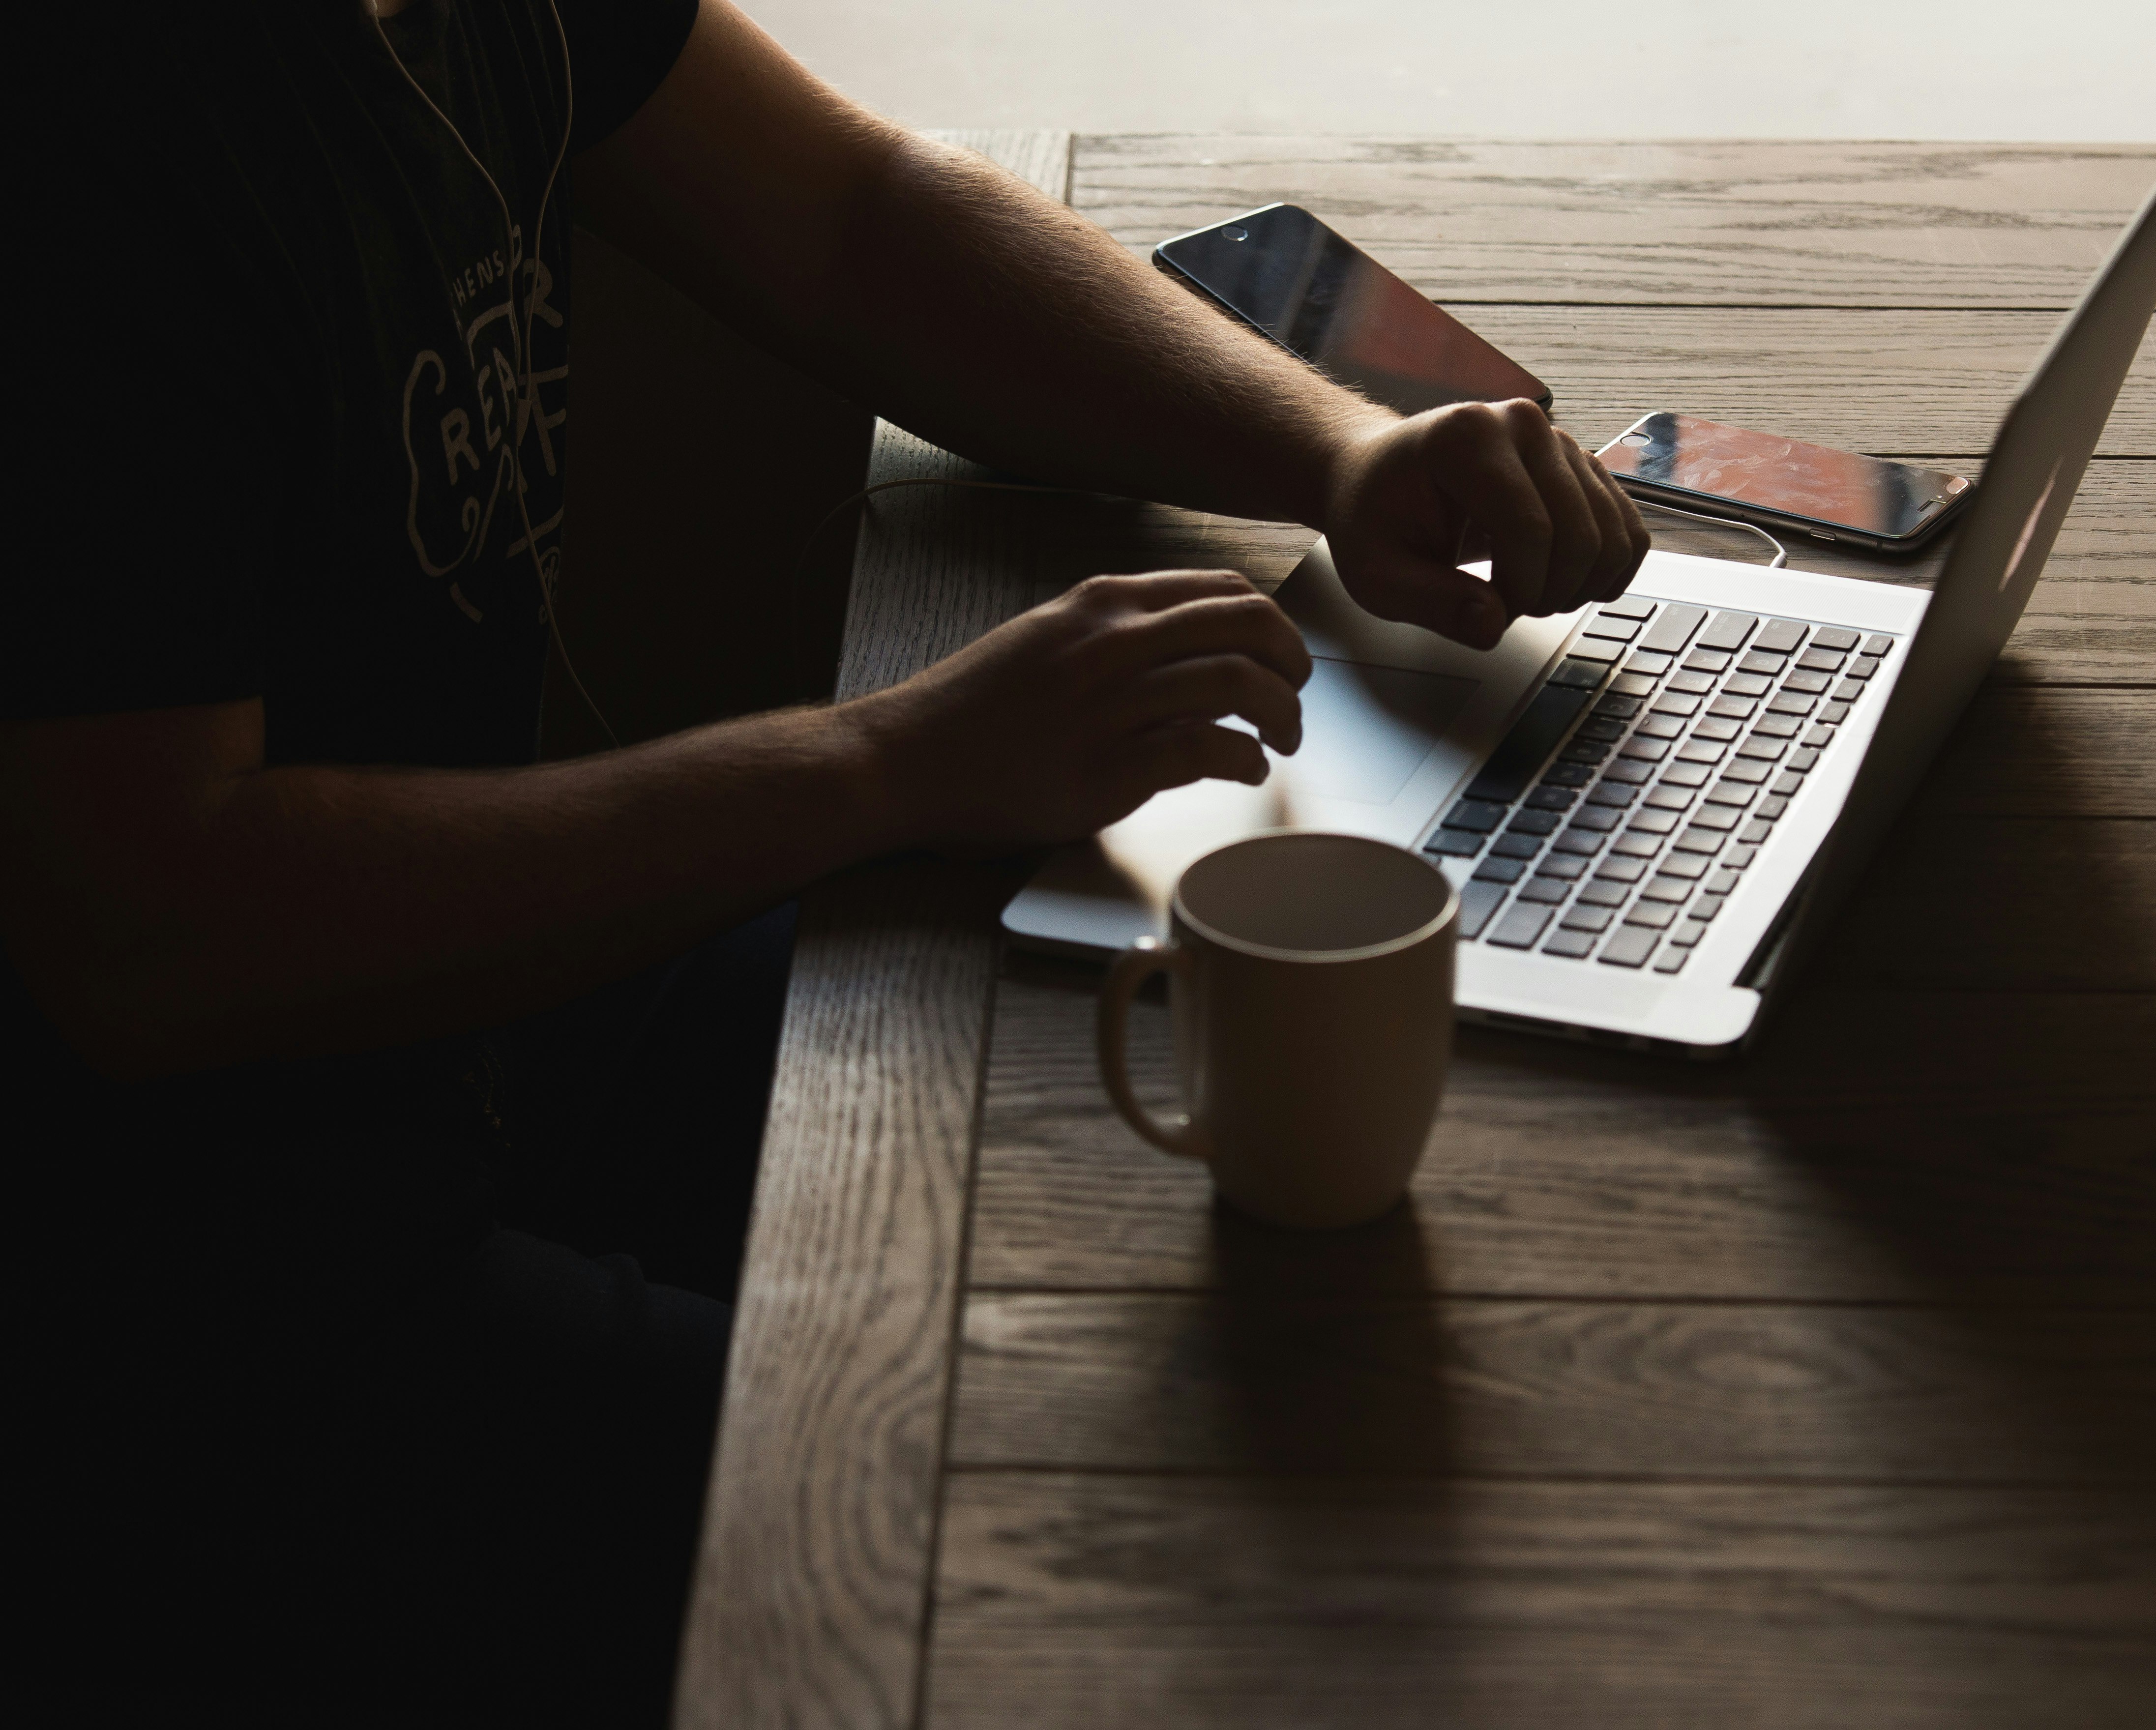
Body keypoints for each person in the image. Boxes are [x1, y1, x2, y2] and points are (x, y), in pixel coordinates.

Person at [3, 0, 1646, 1719]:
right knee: (1068, 1543)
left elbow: (853, 223)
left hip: (467, 1025)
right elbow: (151, 926)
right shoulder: (85, 114)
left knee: (1191, 1098)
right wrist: (886, 760)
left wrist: (1335, 449)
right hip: (176, 1285)